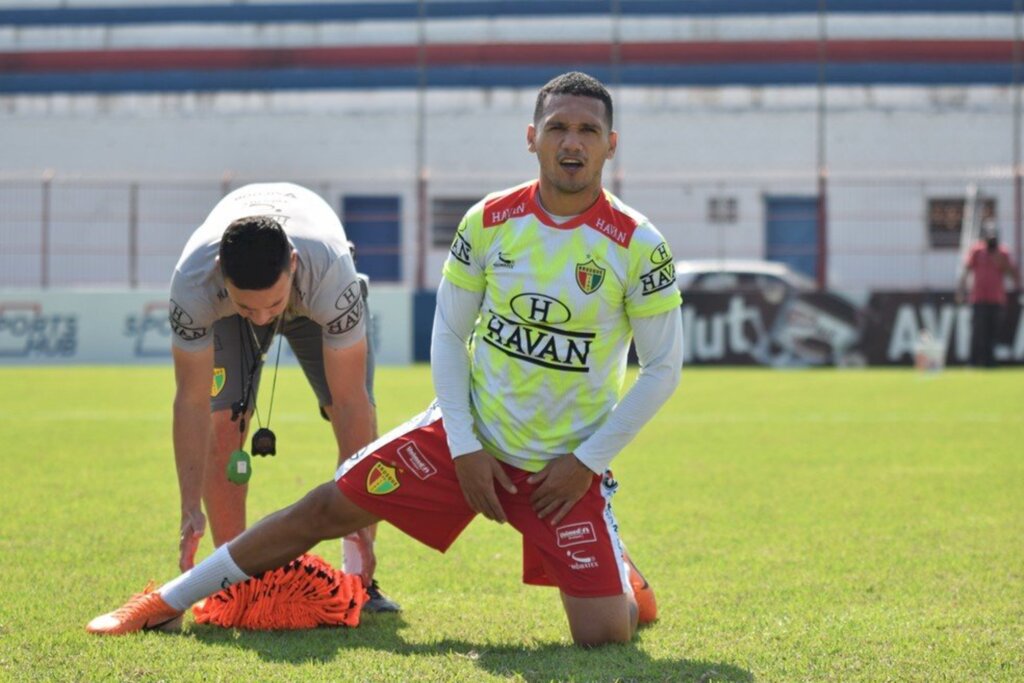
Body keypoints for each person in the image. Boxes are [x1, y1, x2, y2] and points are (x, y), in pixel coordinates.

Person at [87, 72, 683, 646]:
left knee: (603, 637)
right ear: (531, 138)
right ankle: (167, 600)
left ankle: (621, 573)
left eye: (586, 130)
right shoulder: (489, 221)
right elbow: (449, 335)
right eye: (557, 127)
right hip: (463, 441)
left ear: (610, 144)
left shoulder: (638, 244)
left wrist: (585, 461)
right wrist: (466, 443)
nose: (571, 142)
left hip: (565, 468)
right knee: (322, 508)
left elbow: (661, 369)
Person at [166, 182, 399, 611]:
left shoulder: (331, 274)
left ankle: (358, 580)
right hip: (227, 312)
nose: (262, 319)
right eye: (248, 307)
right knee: (224, 426)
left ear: (292, 264)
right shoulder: (193, 284)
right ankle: (233, 582)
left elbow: (350, 405)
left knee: (359, 412)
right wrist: (187, 509)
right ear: (220, 271)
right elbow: (191, 403)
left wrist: (360, 521)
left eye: (271, 304)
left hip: (314, 299)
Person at [957, 221, 1021, 367]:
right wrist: (960, 289)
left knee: (993, 332)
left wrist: (997, 257)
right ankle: (973, 362)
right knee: (977, 331)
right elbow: (966, 270)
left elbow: (1013, 274)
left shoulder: (1003, 252)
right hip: (978, 298)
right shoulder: (977, 250)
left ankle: (990, 362)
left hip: (996, 299)